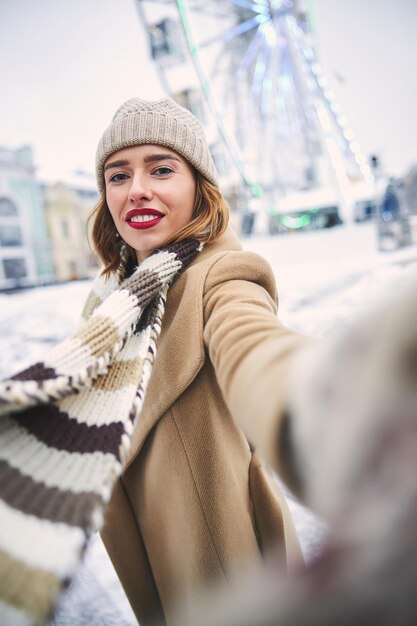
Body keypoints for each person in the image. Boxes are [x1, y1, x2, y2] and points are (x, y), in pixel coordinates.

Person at [0, 97, 311, 626]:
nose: (137, 189)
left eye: (161, 169)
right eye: (118, 175)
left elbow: (255, 347)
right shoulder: (110, 303)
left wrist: (325, 400)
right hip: (157, 573)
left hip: (236, 580)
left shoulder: (225, 277)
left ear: (200, 189)